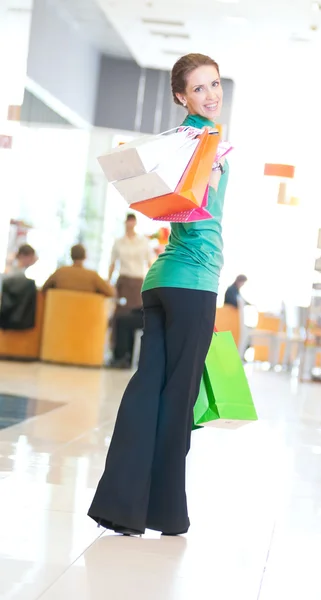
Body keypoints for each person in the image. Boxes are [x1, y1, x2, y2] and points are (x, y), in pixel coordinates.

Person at [88, 53, 228, 536]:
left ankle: (120, 508)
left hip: (160, 280)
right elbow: (200, 211)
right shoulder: (206, 140)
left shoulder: (179, 142)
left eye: (214, 83)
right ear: (180, 97)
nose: (210, 94)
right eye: (198, 89)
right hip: (192, 284)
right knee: (179, 399)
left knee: (148, 390)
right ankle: (165, 512)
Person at [109, 213, 153, 314]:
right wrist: (109, 282)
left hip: (138, 283)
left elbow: (150, 263)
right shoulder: (118, 242)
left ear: (135, 222)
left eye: (132, 221)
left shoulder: (143, 242)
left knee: (138, 313)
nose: (130, 224)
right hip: (123, 281)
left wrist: (152, 283)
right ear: (125, 222)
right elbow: (112, 263)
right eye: (129, 221)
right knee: (121, 313)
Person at [42, 244, 114, 297]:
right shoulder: (92, 275)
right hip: (84, 315)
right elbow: (110, 293)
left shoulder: (60, 272)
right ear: (85, 256)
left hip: (59, 314)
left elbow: (44, 289)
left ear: (71, 255)